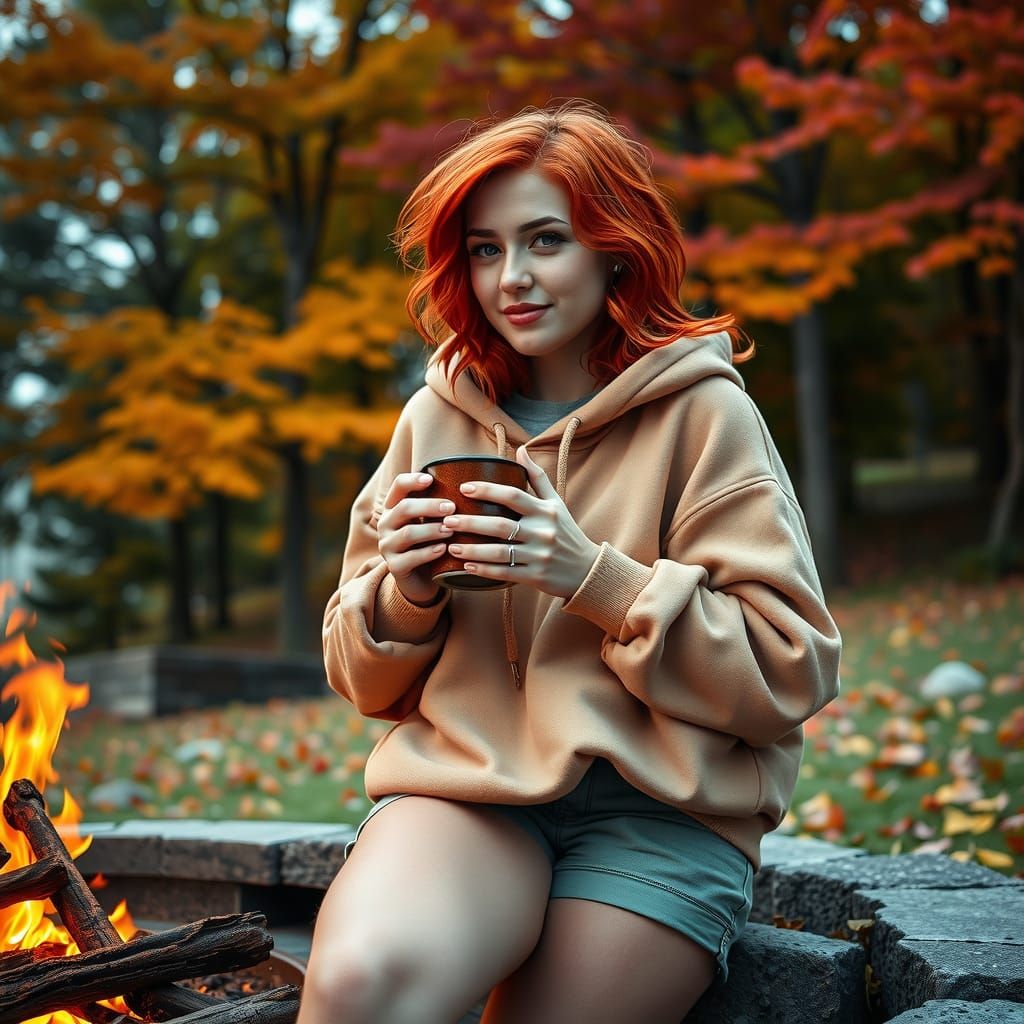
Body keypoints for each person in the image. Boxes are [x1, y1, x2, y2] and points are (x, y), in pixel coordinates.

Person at [297, 100, 842, 1024]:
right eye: (484, 248)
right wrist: (408, 591)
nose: (513, 278)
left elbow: (788, 671)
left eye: (546, 240)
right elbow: (360, 679)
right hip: (470, 794)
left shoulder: (705, 415)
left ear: (613, 248)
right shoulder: (434, 419)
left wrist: (593, 577)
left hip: (664, 813)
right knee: (359, 991)